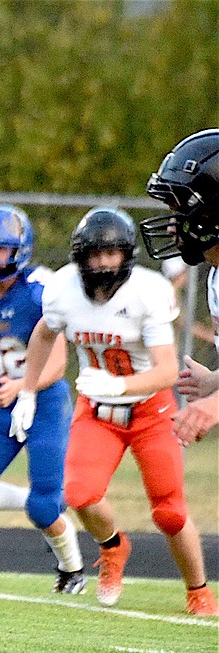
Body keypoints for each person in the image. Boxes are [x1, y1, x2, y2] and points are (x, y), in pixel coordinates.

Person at [10, 206, 217, 616]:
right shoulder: (64, 289)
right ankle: (114, 547)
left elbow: (166, 370)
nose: (103, 263)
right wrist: (28, 391)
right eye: (95, 254)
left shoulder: (147, 291)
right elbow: (43, 334)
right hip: (98, 410)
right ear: (80, 257)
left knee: (170, 513)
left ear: (126, 256)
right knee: (79, 493)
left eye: (112, 254)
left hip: (150, 410)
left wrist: (120, 384)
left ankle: (198, 591)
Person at [0, 205, 84, 593]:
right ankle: (39, 499)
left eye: (1, 250)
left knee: (44, 510)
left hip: (45, 406)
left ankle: (71, 568)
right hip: (3, 407)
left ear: (19, 250)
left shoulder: (41, 290)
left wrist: (25, 388)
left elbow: (57, 364)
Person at [140, 128, 219, 448]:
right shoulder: (215, 275)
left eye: (180, 209)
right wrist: (214, 381)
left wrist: (214, 405)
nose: (173, 222)